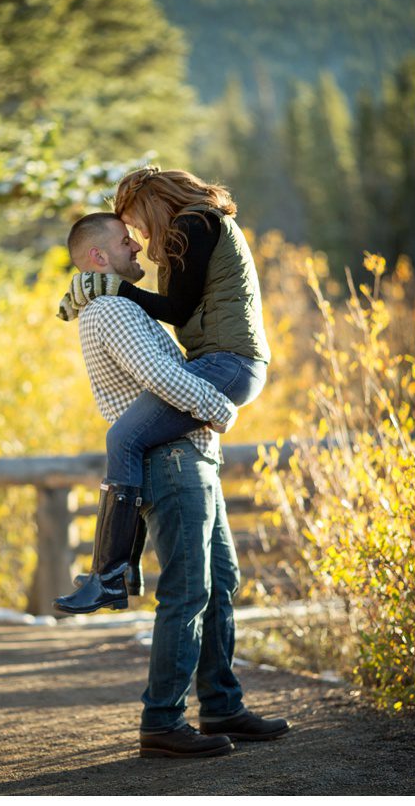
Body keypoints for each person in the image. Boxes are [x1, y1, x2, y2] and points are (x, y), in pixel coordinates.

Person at [63, 213, 289, 758]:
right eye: (124, 241)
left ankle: (221, 705)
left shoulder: (122, 305)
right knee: (187, 590)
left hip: (190, 456)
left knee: (221, 580)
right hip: (170, 461)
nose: (136, 245)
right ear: (98, 257)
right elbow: (164, 379)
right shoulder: (113, 310)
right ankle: (162, 720)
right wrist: (221, 408)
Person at [54, 167, 270, 611]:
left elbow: (175, 308)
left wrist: (111, 286)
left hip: (229, 364)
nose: (137, 233)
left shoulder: (197, 223)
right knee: (128, 439)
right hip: (219, 362)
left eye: (135, 220)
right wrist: (106, 286)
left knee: (124, 436)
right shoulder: (191, 229)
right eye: (127, 232)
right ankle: (114, 574)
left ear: (150, 202)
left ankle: (111, 574)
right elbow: (179, 308)